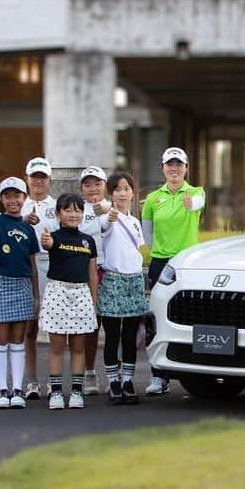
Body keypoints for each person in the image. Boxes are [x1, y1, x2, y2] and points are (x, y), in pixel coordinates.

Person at [142, 147, 205, 395]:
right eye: (170, 165)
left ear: (186, 168)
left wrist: (191, 203)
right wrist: (158, 249)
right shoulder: (153, 199)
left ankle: (197, 371)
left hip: (189, 263)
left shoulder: (196, 192)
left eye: (179, 165)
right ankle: (159, 376)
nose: (174, 169)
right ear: (163, 168)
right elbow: (147, 233)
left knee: (192, 317)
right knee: (158, 317)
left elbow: (197, 204)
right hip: (160, 262)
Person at [0, 177, 40, 410]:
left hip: (23, 283)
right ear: (1, 198)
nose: (13, 200)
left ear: (24, 198)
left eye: (17, 196)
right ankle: (1, 389)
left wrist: (36, 295)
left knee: (18, 338)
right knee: (0, 337)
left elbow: (33, 262)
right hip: (0, 281)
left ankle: (17, 388)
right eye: (8, 196)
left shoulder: (28, 227)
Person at [39, 194, 99, 410]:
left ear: (82, 213)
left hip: (81, 293)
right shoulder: (53, 237)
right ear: (58, 214)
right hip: (57, 292)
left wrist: (93, 300)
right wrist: (47, 242)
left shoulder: (88, 241)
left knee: (78, 347)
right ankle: (55, 392)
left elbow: (92, 273)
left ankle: (76, 391)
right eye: (68, 210)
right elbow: (48, 243)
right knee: (56, 347)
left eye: (77, 210)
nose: (73, 214)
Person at [97, 171, 150, 404]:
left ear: (133, 192)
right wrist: (109, 213)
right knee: (112, 336)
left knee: (130, 336)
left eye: (126, 188)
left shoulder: (135, 222)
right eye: (117, 189)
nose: (122, 193)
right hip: (113, 279)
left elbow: (139, 249)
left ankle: (128, 380)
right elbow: (105, 224)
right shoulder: (108, 217)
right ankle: (113, 382)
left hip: (134, 279)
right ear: (111, 193)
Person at [21, 156, 58, 399]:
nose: (38, 182)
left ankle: (54, 381)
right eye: (34, 177)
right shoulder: (18, 206)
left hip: (53, 266)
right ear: (27, 179)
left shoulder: (58, 206)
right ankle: (32, 381)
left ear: (49, 180)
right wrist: (24, 222)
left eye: (42, 177)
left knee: (56, 330)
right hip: (27, 267)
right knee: (29, 330)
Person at [77, 166, 111, 396]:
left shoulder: (113, 206)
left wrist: (108, 210)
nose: (93, 188)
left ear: (105, 185)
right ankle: (89, 373)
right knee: (90, 326)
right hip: (85, 271)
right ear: (81, 188)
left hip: (110, 271)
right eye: (88, 184)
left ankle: (115, 374)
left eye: (97, 183)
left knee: (113, 326)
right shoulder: (76, 209)